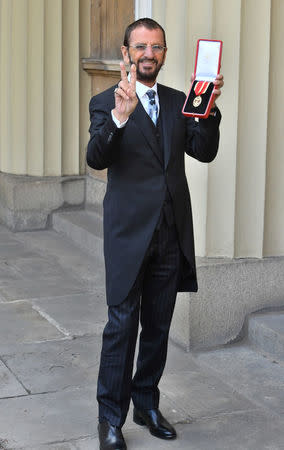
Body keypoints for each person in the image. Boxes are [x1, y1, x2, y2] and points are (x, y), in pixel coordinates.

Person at [87, 18, 224, 450]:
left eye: (157, 46)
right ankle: (110, 418)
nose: (149, 53)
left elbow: (203, 151)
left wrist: (210, 108)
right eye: (141, 46)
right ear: (126, 53)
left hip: (170, 232)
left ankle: (146, 403)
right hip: (129, 236)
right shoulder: (105, 100)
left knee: (158, 326)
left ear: (164, 53)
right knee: (121, 327)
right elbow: (95, 156)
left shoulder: (178, 101)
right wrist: (119, 120)